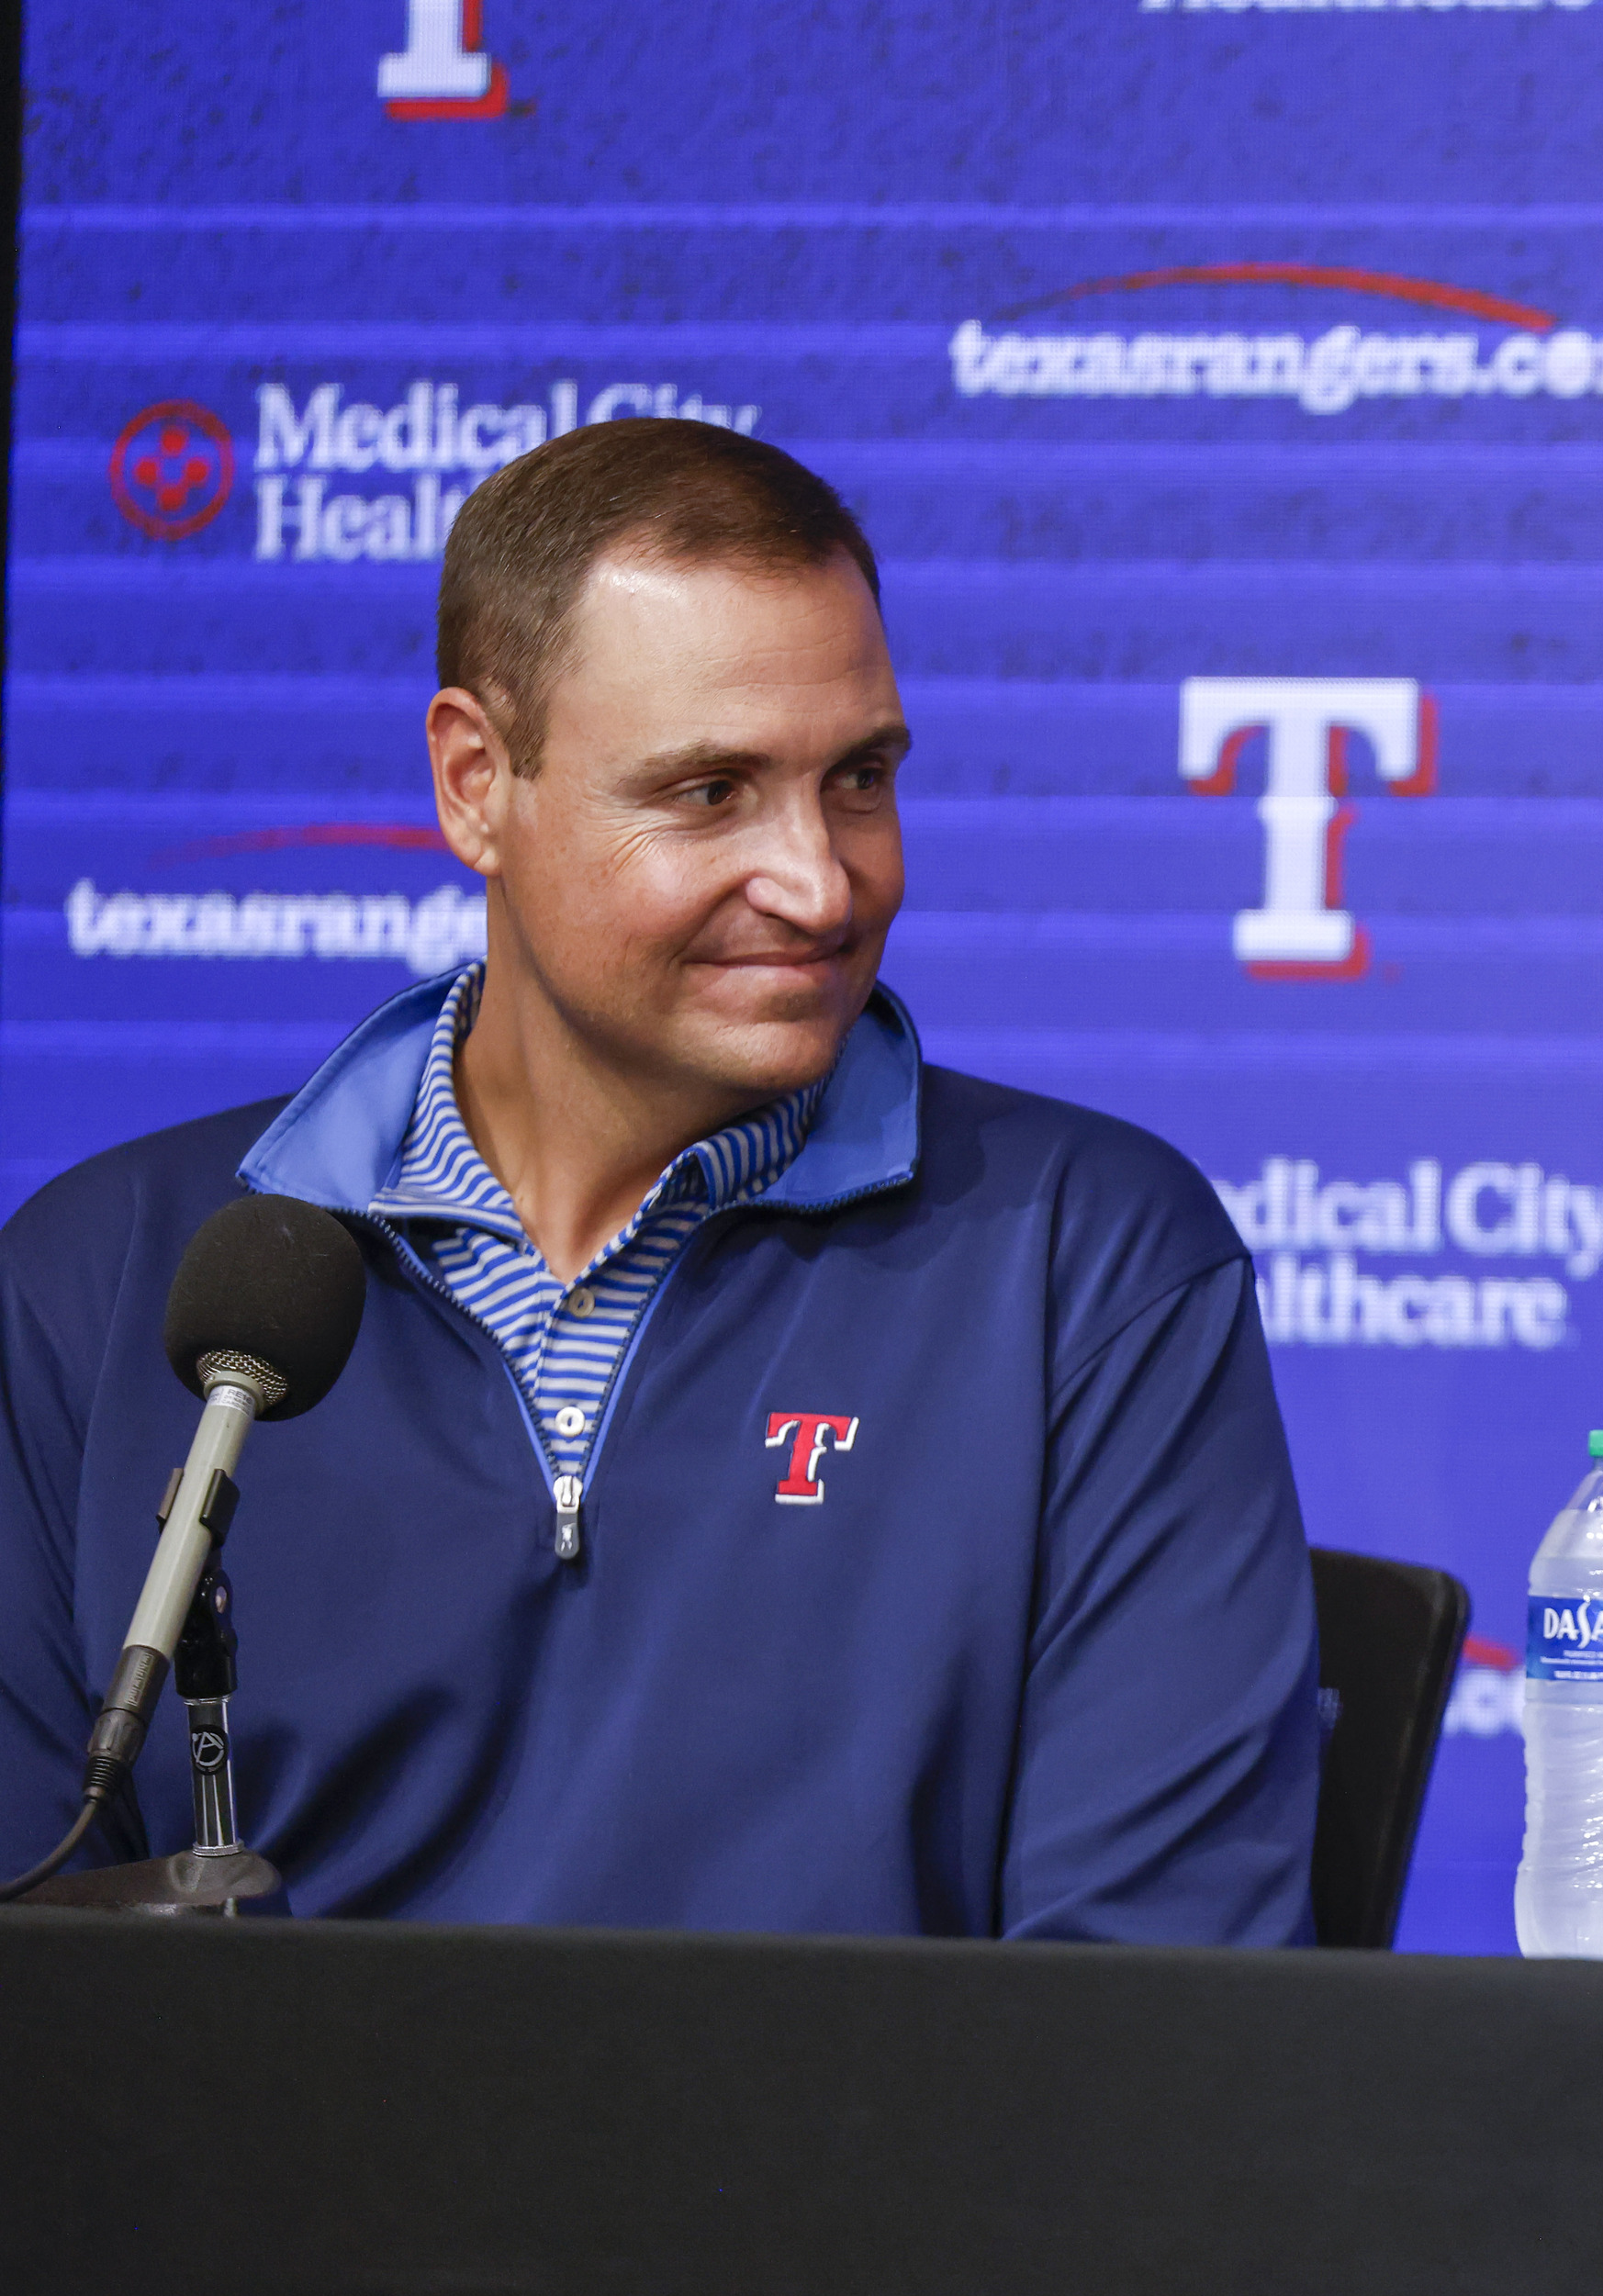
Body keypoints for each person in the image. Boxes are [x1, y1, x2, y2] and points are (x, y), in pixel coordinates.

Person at [0, 420, 1325, 1941]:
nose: (822, 883)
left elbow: (1152, 2027)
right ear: (475, 782)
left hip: (882, 2184)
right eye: (709, 793)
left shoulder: (1091, 1267)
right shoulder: (101, 1285)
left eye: (861, 778)